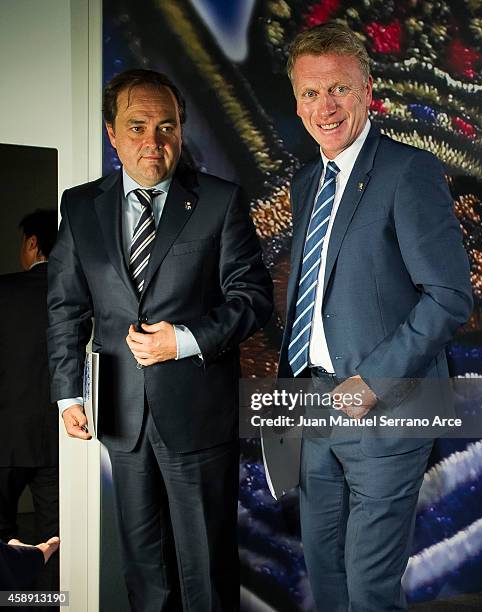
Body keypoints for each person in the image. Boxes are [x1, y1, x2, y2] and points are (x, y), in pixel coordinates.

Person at [262, 23, 473, 612]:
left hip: (387, 404)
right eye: (310, 93)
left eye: (338, 89)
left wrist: (371, 383)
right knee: (324, 573)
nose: (324, 106)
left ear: (366, 90)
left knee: (369, 586)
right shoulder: (308, 183)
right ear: (296, 101)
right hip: (314, 402)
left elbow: (450, 295)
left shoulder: (410, 171)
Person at [47, 69, 273, 612]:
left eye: (167, 126)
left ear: (182, 130)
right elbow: (66, 305)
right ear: (112, 133)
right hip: (120, 417)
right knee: (144, 568)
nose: (154, 142)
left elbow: (254, 298)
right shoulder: (79, 207)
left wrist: (187, 340)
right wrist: (67, 393)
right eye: (138, 125)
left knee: (207, 571)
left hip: (197, 414)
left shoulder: (220, 202)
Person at [0, 209, 59, 590]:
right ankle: (55, 603)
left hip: (5, 436)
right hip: (61, 440)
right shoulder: (80, 297)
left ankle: (11, 603)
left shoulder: (3, 291)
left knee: (3, 542)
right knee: (59, 542)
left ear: (32, 243)